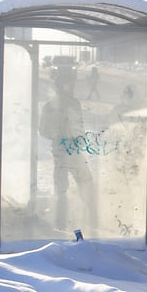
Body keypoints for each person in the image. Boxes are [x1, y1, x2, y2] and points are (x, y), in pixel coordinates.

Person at [38, 66, 96, 233]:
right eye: (69, 84)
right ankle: (91, 220)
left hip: (59, 152)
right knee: (85, 183)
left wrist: (56, 135)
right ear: (64, 86)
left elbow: (43, 130)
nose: (72, 87)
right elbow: (79, 128)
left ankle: (61, 223)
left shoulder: (48, 106)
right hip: (74, 151)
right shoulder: (73, 103)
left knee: (61, 189)